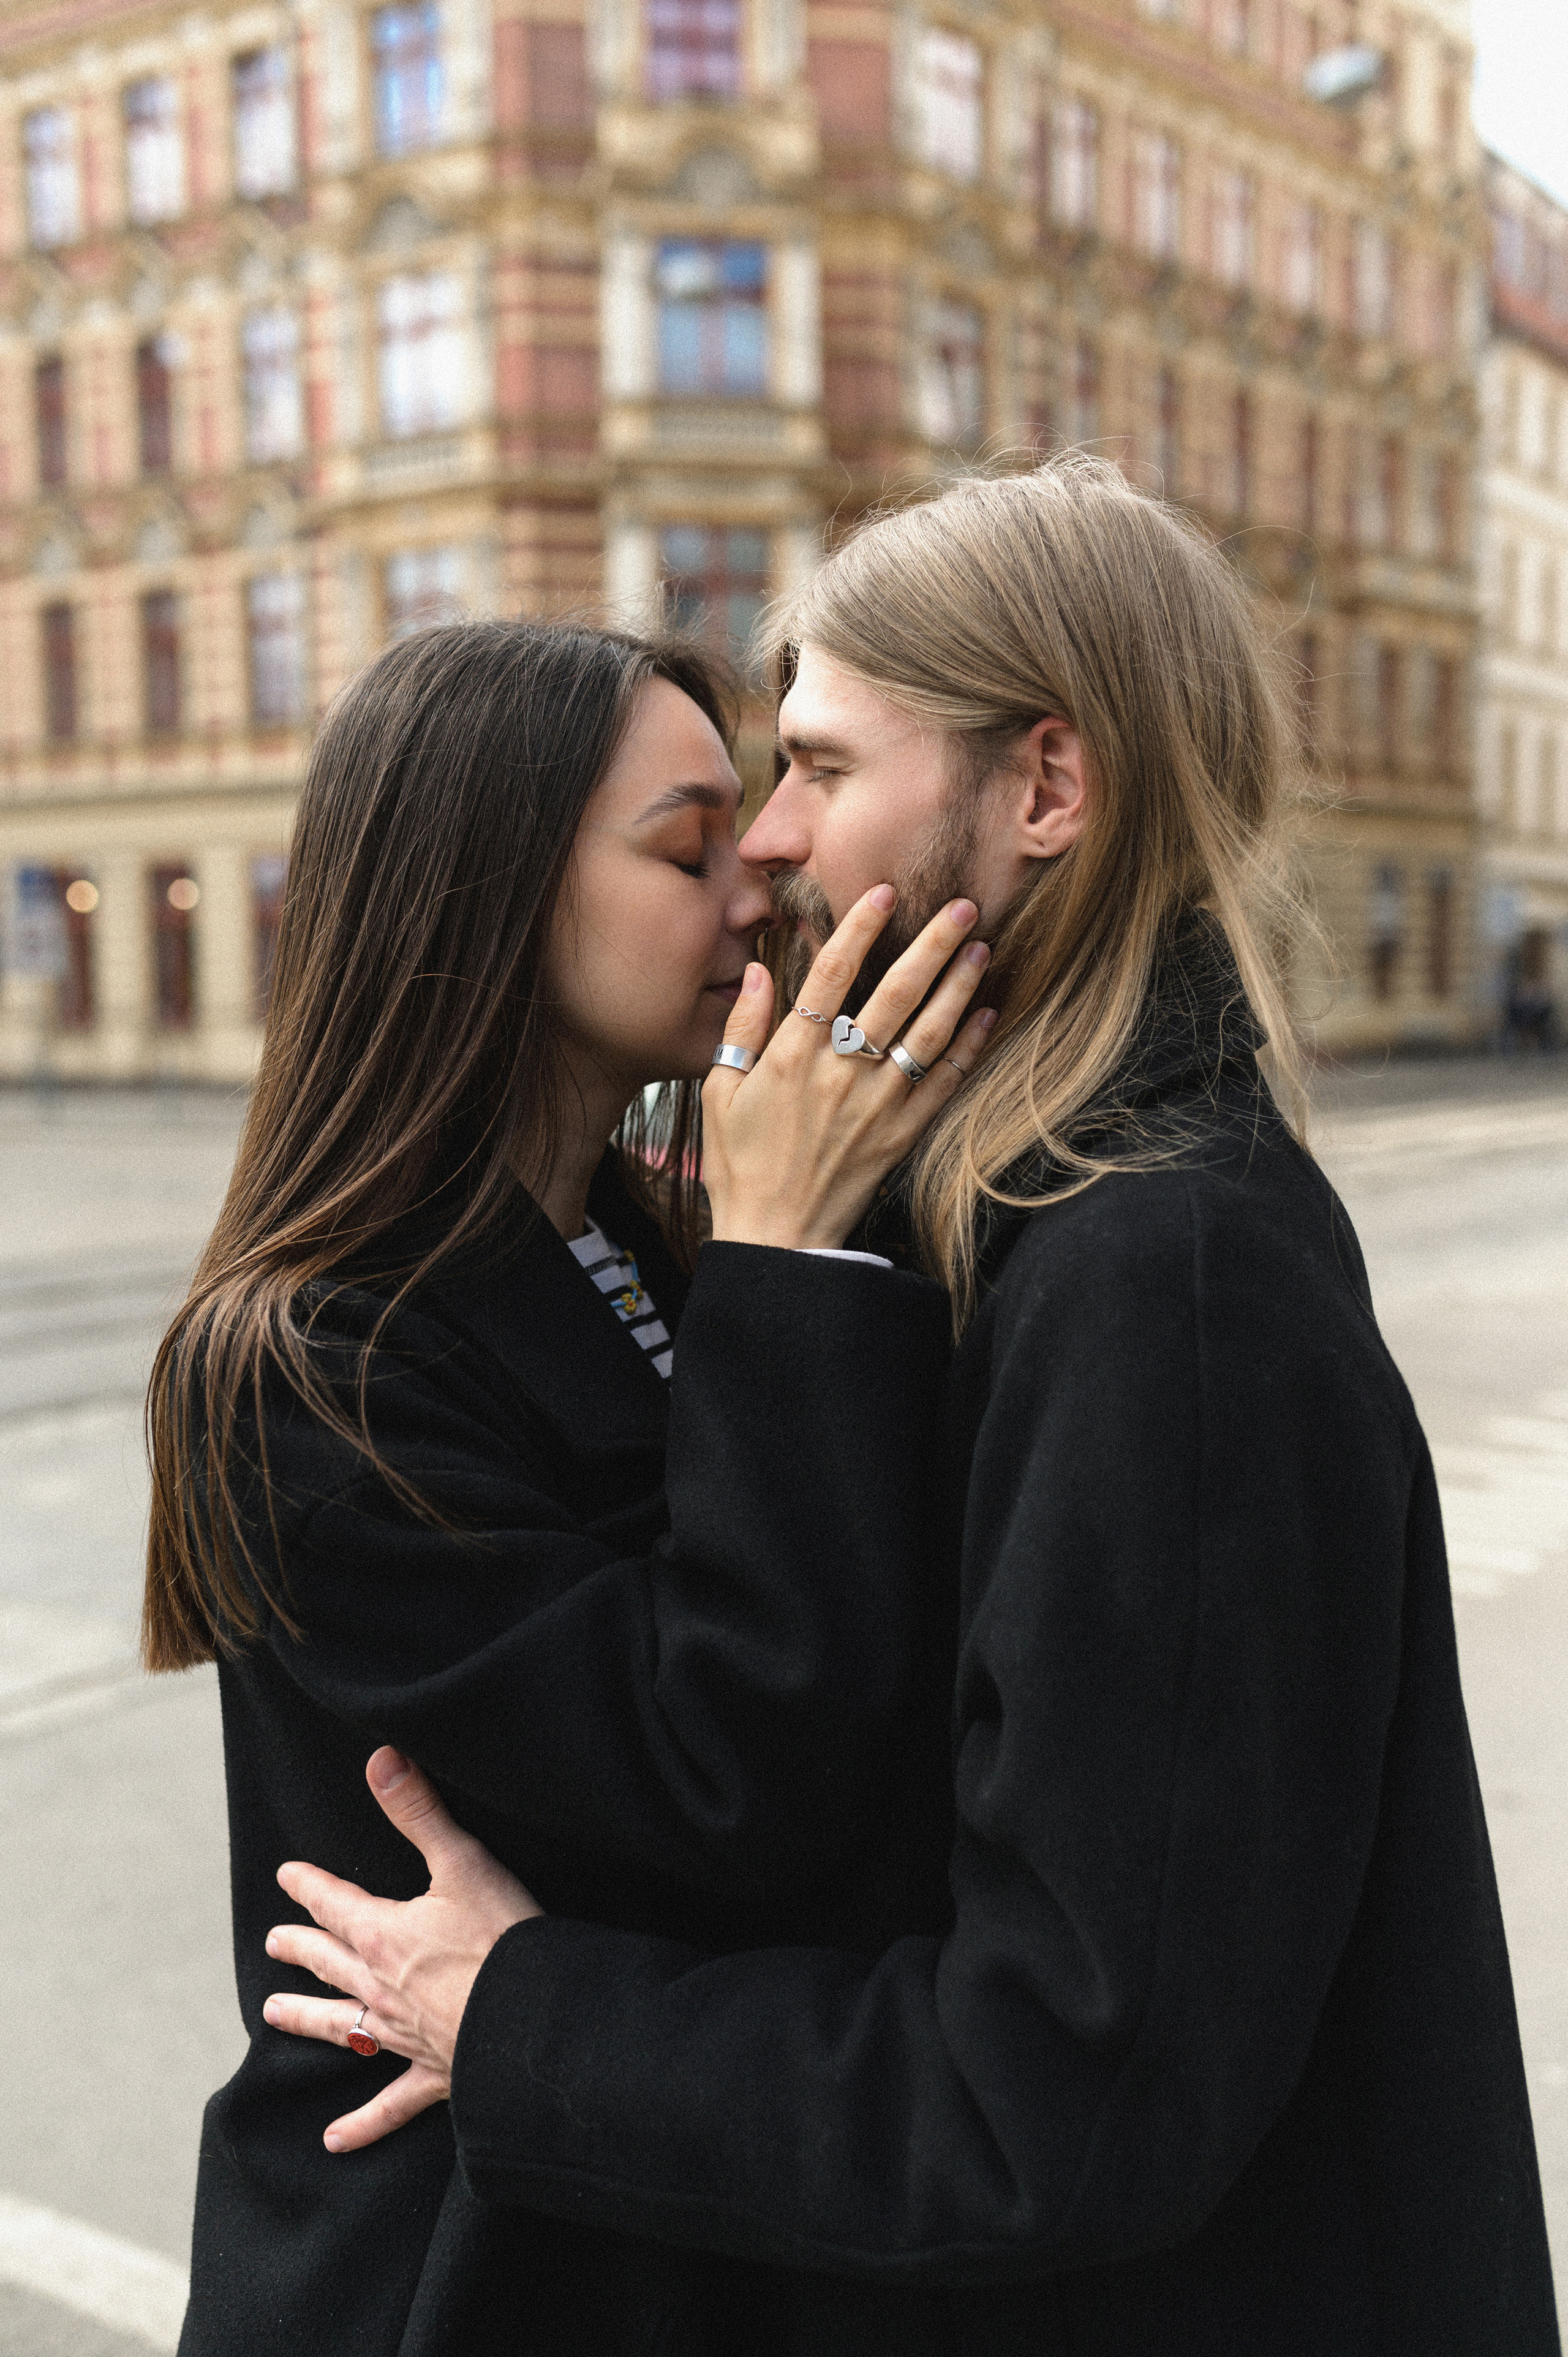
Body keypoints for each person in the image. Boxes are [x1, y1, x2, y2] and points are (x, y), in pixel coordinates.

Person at [265, 459, 1559, 2356]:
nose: (771, 848)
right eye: (714, 816)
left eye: (814, 767)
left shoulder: (1159, 1279)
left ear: (1044, 790)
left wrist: (520, 2017)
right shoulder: (1015, 1223)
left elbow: (1059, 2095)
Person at [141, 617, 998, 2356]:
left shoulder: (636, 1237)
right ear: (489, 892)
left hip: (652, 2215)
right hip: (449, 2270)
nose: (758, 887)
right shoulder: (311, 1366)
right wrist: (782, 1266)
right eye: (687, 849)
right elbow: (732, 1776)